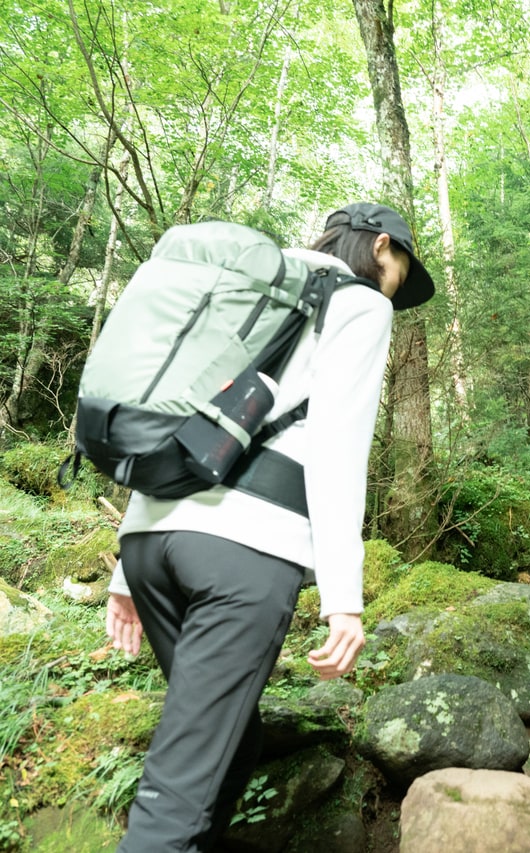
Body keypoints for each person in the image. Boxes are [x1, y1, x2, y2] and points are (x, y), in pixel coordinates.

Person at [102, 203, 434, 852]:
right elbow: (337, 448)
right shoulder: (361, 304)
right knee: (174, 800)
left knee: (233, 738)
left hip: (152, 544)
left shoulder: (242, 282)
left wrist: (124, 568)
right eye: (398, 270)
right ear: (381, 246)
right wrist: (345, 600)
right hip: (243, 553)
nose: (394, 287)